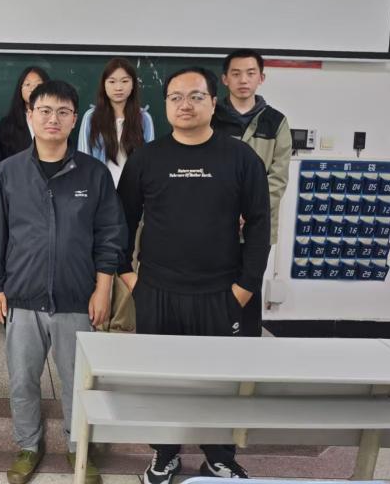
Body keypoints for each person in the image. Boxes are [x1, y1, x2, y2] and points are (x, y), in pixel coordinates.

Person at [118, 67, 270, 484]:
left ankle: (219, 456)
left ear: (213, 102)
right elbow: (121, 220)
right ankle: (164, 453)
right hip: (157, 291)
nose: (185, 105)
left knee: (219, 381)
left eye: (196, 96)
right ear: (165, 105)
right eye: (176, 97)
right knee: (161, 379)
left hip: (221, 293)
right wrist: (128, 276)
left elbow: (260, 224)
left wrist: (245, 287)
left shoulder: (241, 157)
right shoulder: (146, 158)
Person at [0, 80, 127, 484]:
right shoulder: (9, 172)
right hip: (22, 296)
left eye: (63, 112)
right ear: (30, 115)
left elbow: (110, 235)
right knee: (22, 379)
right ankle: (29, 445)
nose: (53, 119)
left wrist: (103, 288)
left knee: (78, 380)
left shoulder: (93, 174)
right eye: (44, 110)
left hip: (77, 297)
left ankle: (80, 447)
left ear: (75, 119)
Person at [212, 49, 292, 337]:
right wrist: (226, 212)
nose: (243, 80)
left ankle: (248, 347)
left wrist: (250, 212)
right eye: (236, 74)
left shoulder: (276, 122)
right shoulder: (212, 118)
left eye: (250, 73)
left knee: (250, 287)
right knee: (215, 287)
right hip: (216, 224)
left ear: (261, 78)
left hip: (258, 226)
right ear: (225, 79)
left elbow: (278, 177)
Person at [77, 58, 154, 333]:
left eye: (124, 81)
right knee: (98, 254)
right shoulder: (91, 118)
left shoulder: (144, 119)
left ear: (133, 85)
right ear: (104, 85)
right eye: (112, 81)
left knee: (126, 256)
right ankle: (98, 316)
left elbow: (150, 160)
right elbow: (84, 157)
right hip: (100, 196)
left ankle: (121, 321)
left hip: (133, 197)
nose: (118, 87)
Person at [0, 66, 49, 160]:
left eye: (38, 85)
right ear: (20, 89)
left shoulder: (54, 120)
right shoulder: (8, 124)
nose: (32, 89)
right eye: (27, 84)